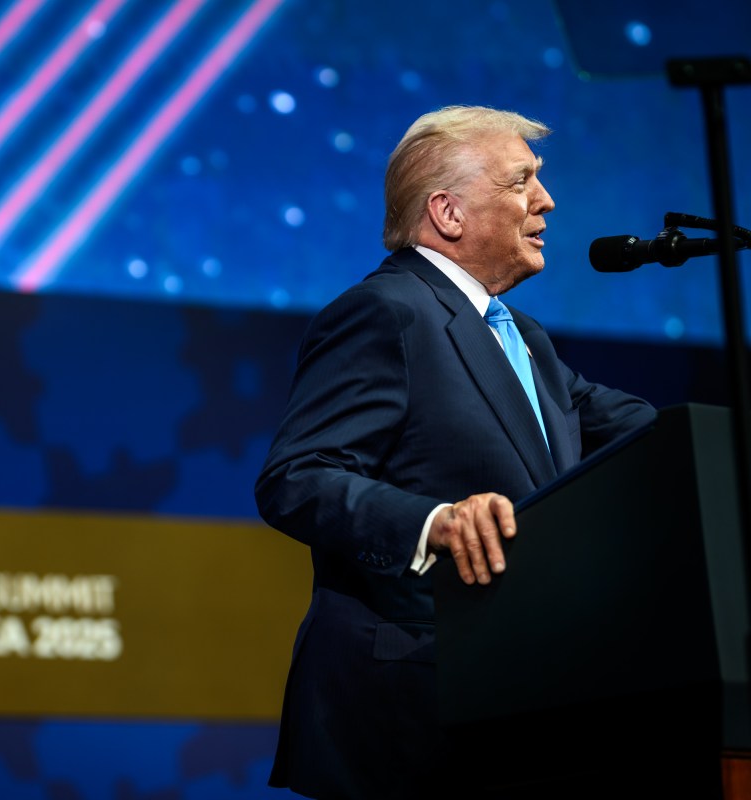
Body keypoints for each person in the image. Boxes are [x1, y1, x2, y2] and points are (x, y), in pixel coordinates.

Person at [254, 105, 657, 799]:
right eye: (521, 181)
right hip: (412, 714)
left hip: (515, 704)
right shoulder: (386, 312)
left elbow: (643, 428)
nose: (547, 200)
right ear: (448, 212)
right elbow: (298, 477)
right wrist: (432, 522)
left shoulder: (521, 336)